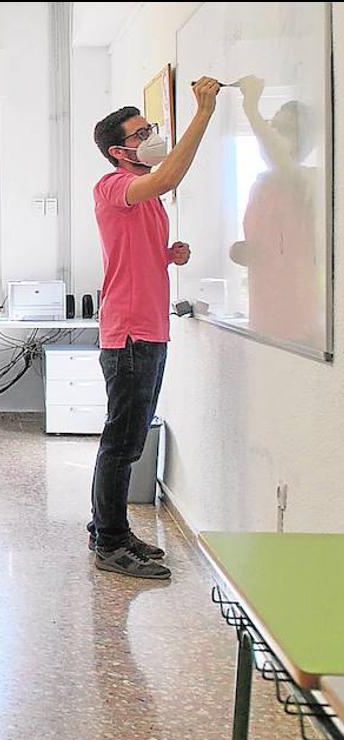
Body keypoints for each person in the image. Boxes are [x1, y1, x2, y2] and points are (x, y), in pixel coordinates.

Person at [88, 77, 221, 579]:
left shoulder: (146, 200)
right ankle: (111, 543)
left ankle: (105, 528)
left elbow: (133, 254)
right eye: (143, 134)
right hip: (130, 335)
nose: (153, 138)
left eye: (152, 129)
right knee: (122, 443)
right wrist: (203, 113)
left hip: (148, 329)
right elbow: (166, 177)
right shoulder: (115, 186)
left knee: (127, 439)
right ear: (120, 152)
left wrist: (167, 256)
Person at [229, 76, 321, 347]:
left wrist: (251, 109)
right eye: (274, 126)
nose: (274, 133)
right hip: (263, 322)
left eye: (286, 129)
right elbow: (266, 248)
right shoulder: (261, 185)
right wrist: (243, 250)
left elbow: (280, 158)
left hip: (300, 327)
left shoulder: (308, 180)